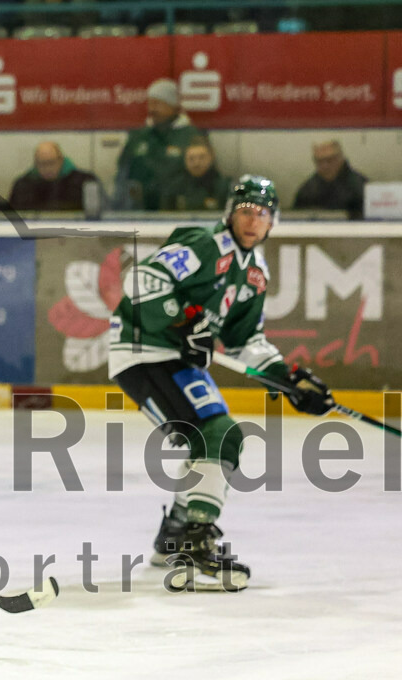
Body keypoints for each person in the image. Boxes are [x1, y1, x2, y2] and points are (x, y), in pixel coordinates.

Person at [107, 176, 335, 591]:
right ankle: (193, 549)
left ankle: (176, 534)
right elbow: (140, 282)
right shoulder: (203, 244)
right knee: (218, 434)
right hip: (143, 352)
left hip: (176, 358)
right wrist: (184, 317)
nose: (252, 220)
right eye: (246, 211)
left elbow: (246, 340)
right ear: (230, 214)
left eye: (262, 214)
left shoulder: (255, 273)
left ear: (273, 222)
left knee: (216, 438)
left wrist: (287, 378)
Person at [115, 78, 200, 211]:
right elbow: (122, 172)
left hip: (177, 211)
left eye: (158, 103)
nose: (152, 109)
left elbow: (202, 177)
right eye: (150, 103)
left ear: (173, 106)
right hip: (137, 211)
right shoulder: (138, 136)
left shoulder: (191, 136)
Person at [7, 141, 101, 212]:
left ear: (61, 160)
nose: (47, 168)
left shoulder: (84, 181)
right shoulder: (22, 185)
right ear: (35, 164)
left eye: (51, 163)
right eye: (42, 164)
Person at [292, 140, 368, 220]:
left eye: (330, 160)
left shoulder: (360, 188)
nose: (325, 166)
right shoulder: (307, 191)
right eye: (320, 161)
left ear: (341, 158)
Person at [159, 137, 232, 212]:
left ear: (211, 158)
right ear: (184, 160)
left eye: (202, 157)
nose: (196, 163)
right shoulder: (173, 187)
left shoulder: (224, 187)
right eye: (191, 158)